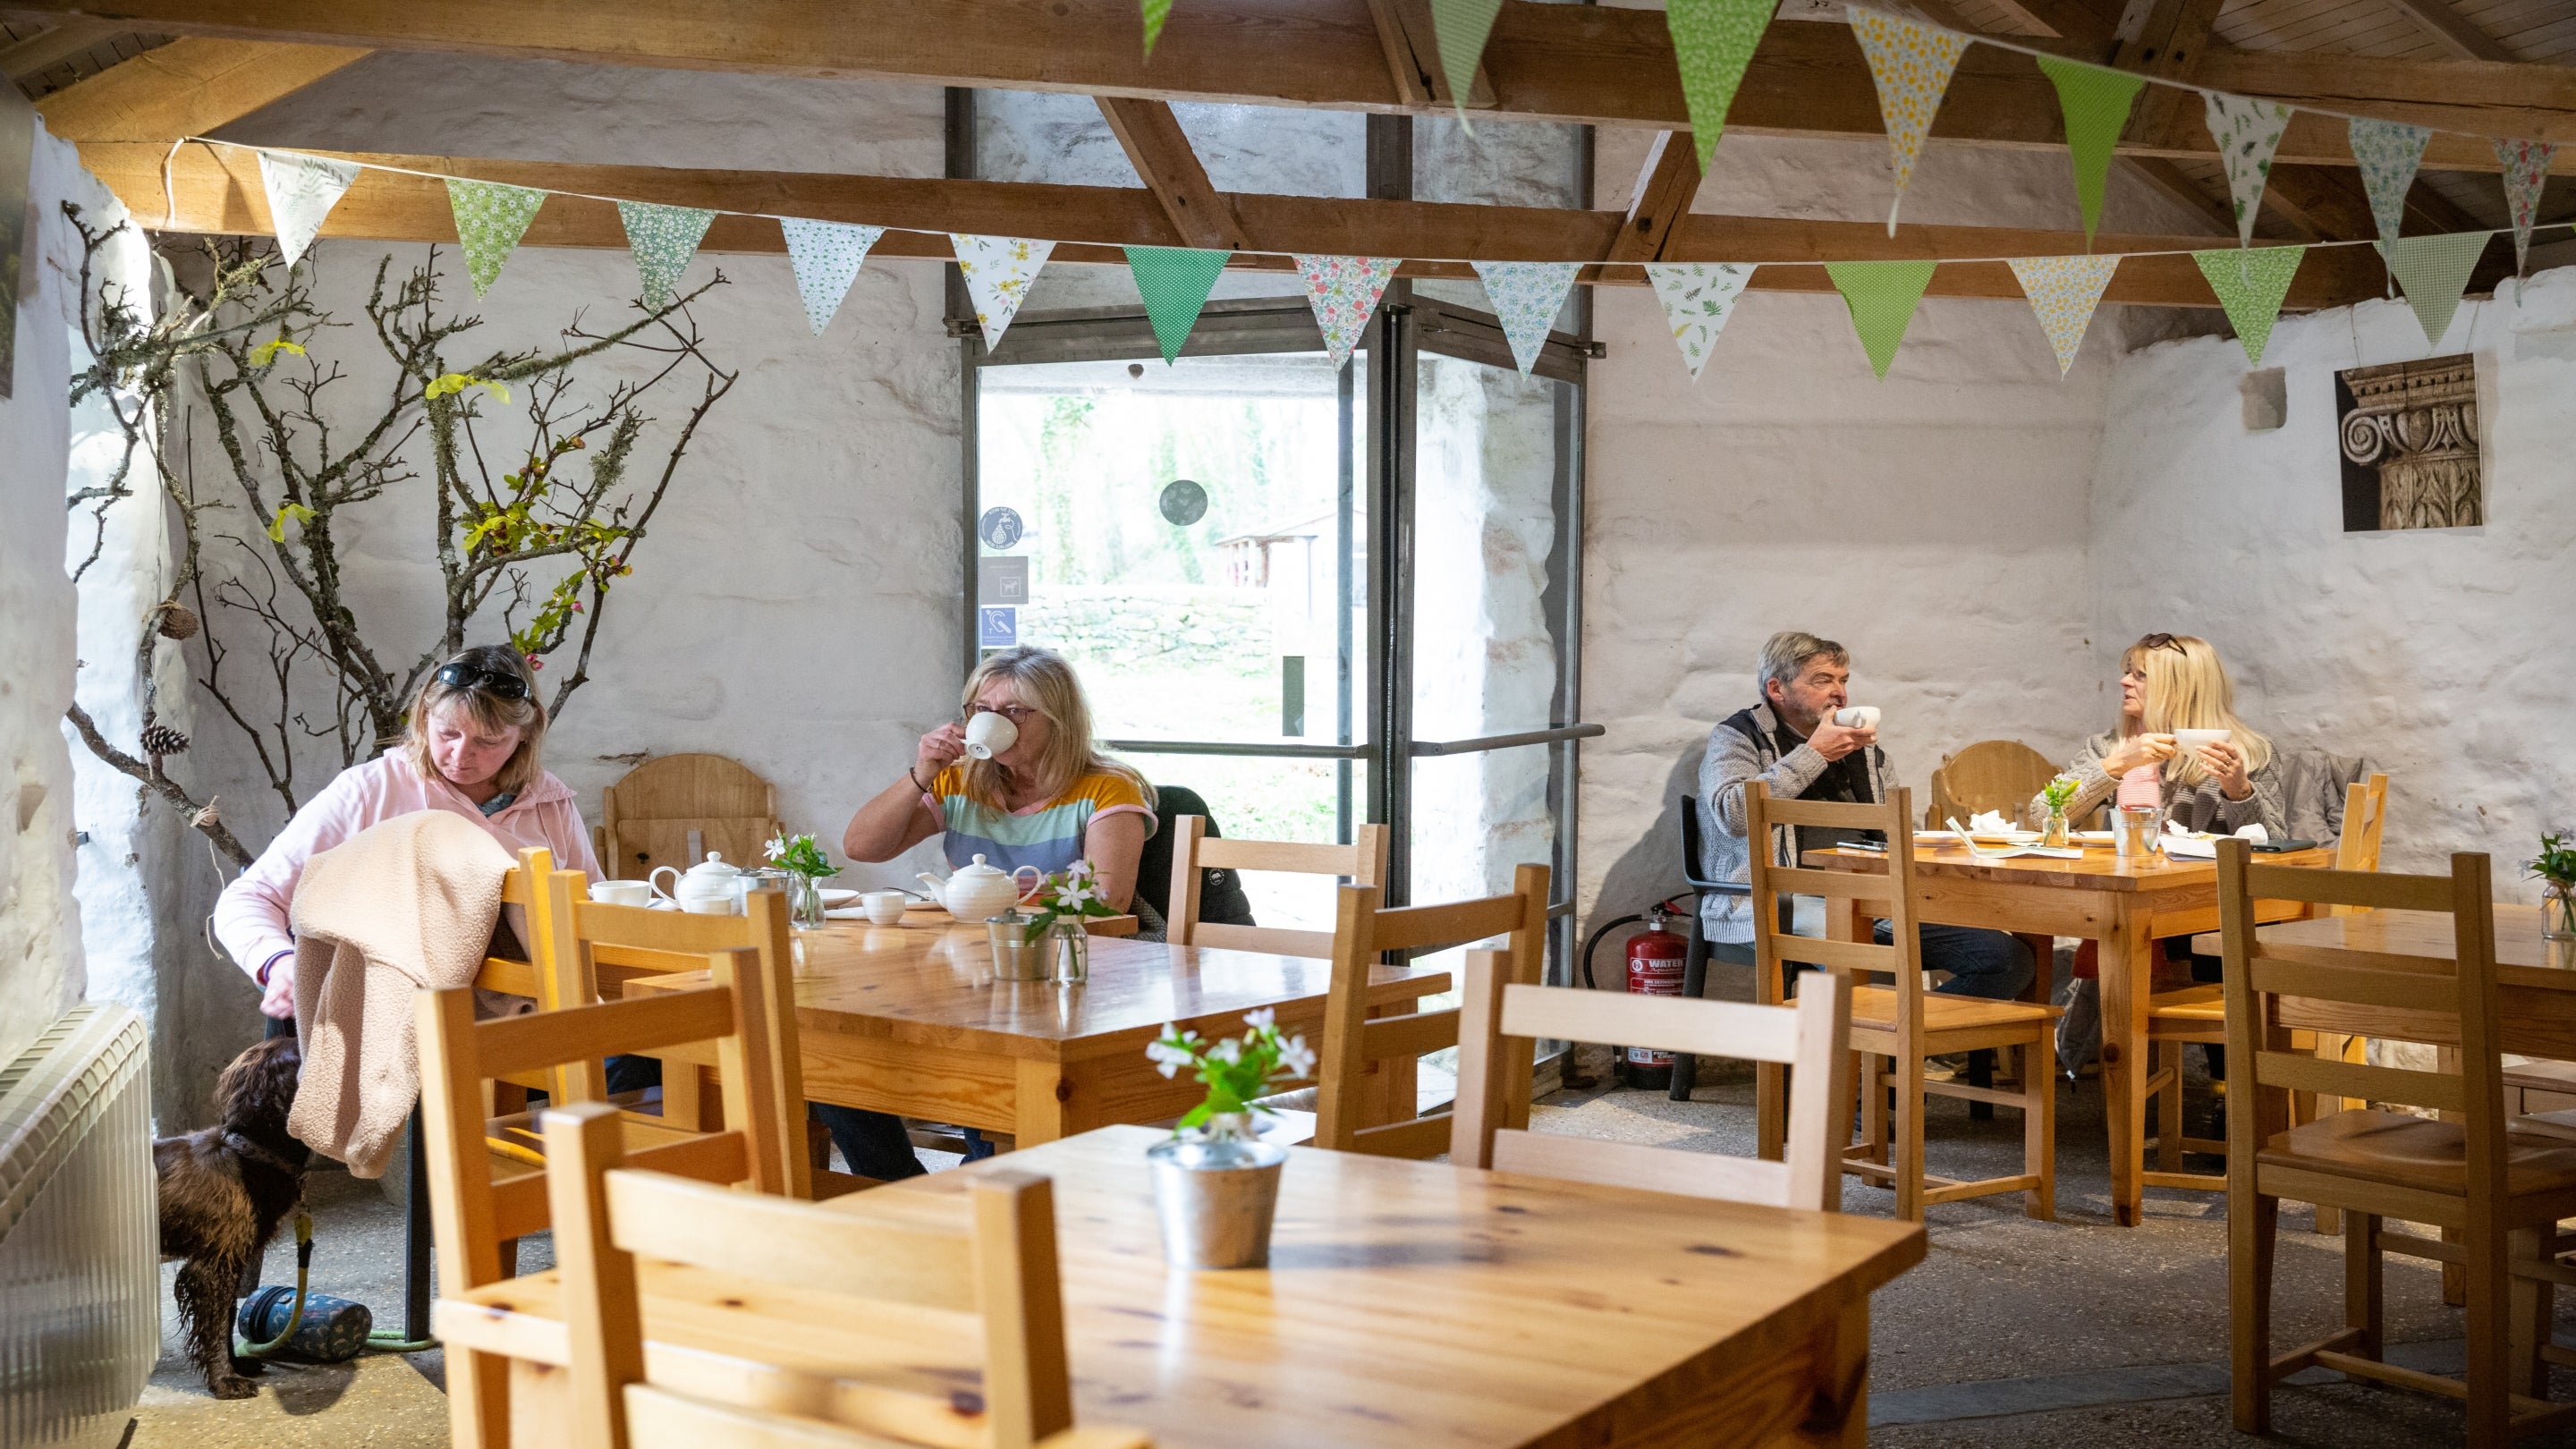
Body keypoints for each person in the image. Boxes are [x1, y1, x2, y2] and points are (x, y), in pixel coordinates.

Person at [836, 645, 1158, 1175]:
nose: (993, 721)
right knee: (839, 1049)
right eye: (981, 709)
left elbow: (1106, 899)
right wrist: (922, 772)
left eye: (1014, 711)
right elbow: (862, 847)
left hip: (1066, 976)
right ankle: (897, 1185)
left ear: (1057, 718)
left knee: (981, 1058)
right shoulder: (963, 780)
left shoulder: (1105, 788)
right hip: (969, 972)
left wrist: (996, 897)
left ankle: (988, 1176)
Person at [216, 646, 603, 1032]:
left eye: (488, 742)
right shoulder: (369, 791)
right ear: (424, 717)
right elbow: (251, 896)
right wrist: (277, 962)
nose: (460, 755)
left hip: (510, 1021)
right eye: (447, 733)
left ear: (526, 734)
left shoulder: (549, 803)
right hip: (376, 1020)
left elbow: (592, 910)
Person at [1696, 631, 2035, 1003]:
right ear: (1777, 689)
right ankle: (1880, 1035)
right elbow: (1732, 814)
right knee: (1863, 958)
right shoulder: (1738, 737)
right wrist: (1815, 754)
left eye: (1843, 680)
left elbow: (1896, 830)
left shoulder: (1865, 751)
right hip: (1777, 899)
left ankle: (1909, 1033)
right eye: (1823, 680)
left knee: (2007, 959)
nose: (1839, 692)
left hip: (1871, 897)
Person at [2059, 631, 2285, 836]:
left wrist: (2240, 791)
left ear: (2181, 687)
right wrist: (2117, 764)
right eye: (2128, 672)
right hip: (2125, 868)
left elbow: (2274, 845)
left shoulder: (2251, 752)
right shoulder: (2107, 746)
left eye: (2140, 675)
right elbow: (2045, 818)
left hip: (2207, 870)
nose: (2124, 681)